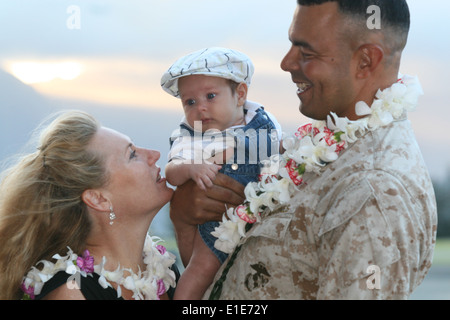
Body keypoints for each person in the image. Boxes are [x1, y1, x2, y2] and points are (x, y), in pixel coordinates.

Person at [169, 0, 438, 299]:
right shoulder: (318, 146)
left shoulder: (372, 191)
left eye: (306, 53)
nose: (286, 63)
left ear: (366, 61)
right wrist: (183, 220)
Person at [0, 110, 177, 300]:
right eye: (132, 155)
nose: (155, 154)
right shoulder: (72, 292)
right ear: (98, 199)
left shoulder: (164, 269)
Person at [161, 47, 282, 299]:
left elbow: (276, 147)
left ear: (240, 94)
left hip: (263, 212)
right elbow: (172, 173)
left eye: (210, 96)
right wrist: (192, 168)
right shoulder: (191, 135)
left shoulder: (261, 119)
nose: (200, 108)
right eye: (190, 102)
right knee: (202, 268)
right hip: (218, 219)